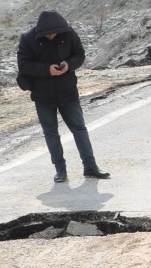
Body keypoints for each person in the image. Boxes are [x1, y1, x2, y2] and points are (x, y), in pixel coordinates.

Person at [17, 10, 111, 183]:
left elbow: (80, 54)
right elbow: (23, 65)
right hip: (42, 95)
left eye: (54, 33)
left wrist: (69, 65)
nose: (51, 35)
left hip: (68, 91)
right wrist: (47, 70)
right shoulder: (28, 38)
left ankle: (90, 167)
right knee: (51, 133)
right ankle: (60, 170)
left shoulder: (68, 33)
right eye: (48, 34)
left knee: (79, 128)